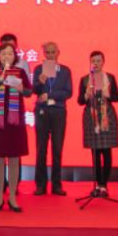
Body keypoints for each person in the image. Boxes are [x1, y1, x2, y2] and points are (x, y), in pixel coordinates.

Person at [0, 43, 30, 212]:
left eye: (10, 54)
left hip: (14, 123)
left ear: (14, 56)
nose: (6, 57)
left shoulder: (21, 72)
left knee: (14, 160)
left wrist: (21, 88)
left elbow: (29, 92)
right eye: (3, 54)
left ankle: (12, 198)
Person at [78, 50, 118, 197]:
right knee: (95, 152)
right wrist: (85, 95)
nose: (96, 63)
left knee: (107, 151)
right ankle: (97, 184)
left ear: (103, 62)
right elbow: (80, 101)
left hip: (107, 115)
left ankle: (104, 185)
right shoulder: (85, 79)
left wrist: (108, 94)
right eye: (93, 61)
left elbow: (117, 97)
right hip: (91, 116)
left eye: (98, 61)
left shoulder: (109, 78)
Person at [32, 41, 73, 196]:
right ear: (44, 54)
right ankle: (40, 185)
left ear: (58, 52)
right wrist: (40, 82)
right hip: (42, 111)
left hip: (58, 111)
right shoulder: (38, 69)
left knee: (57, 149)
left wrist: (50, 95)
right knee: (41, 149)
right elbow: (33, 90)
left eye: (52, 52)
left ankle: (56, 185)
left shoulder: (65, 71)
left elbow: (68, 92)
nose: (50, 55)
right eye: (47, 52)